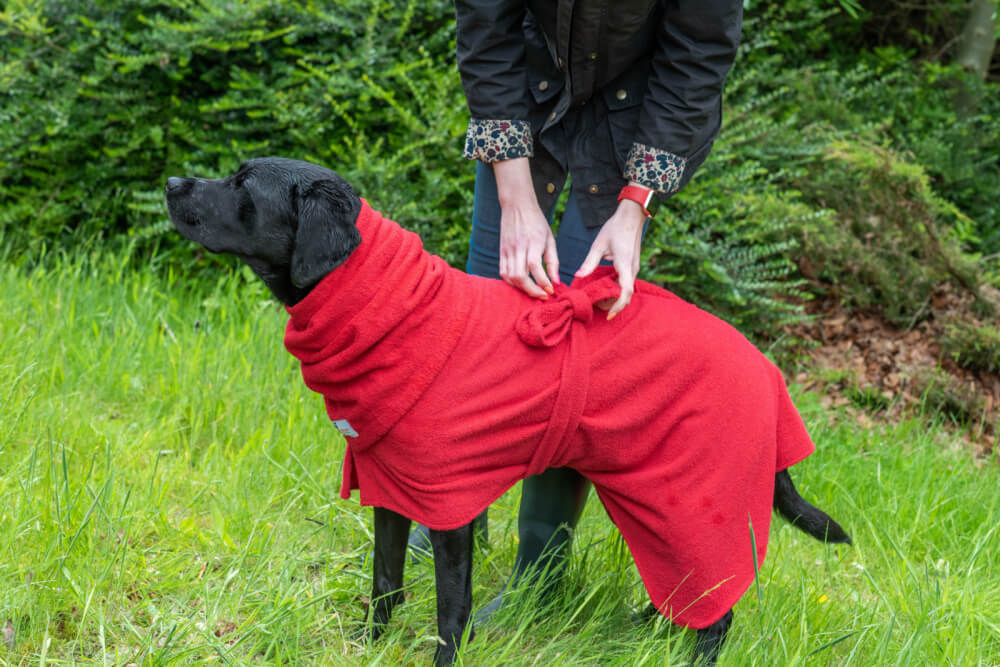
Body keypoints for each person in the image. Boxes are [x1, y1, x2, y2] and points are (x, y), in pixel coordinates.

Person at [410, 0, 744, 608]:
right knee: (488, 311)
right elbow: (486, 25)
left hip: (635, 115)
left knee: (577, 338)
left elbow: (697, 58)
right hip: (523, 93)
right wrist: (514, 196)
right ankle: (455, 511)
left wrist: (634, 206)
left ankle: (541, 576)